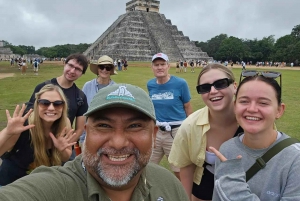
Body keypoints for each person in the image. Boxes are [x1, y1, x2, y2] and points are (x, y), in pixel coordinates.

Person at [0, 84, 190, 201]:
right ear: (87, 132)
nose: (117, 143)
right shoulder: (56, 188)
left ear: (154, 135)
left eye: (134, 126)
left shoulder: (168, 185)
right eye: (104, 125)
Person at [210, 71, 300, 200]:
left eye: (263, 103)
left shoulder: (295, 159)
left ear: (279, 110)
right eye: (244, 101)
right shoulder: (227, 149)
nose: (252, 109)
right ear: (235, 106)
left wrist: (233, 184)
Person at [169, 63, 243, 201]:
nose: (213, 91)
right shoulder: (190, 125)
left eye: (220, 83)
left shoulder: (252, 121)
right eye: (205, 88)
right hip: (204, 193)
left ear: (234, 86)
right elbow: (186, 168)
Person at [0, 84, 76, 186]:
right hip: (11, 187)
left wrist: (61, 150)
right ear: (37, 104)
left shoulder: (64, 124)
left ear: (63, 106)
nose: (51, 108)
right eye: (45, 103)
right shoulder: (23, 125)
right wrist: (7, 132)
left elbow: (65, 158)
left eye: (57, 104)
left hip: (41, 188)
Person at [27, 53, 89, 160]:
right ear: (64, 64)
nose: (72, 71)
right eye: (70, 65)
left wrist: (65, 143)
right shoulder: (43, 87)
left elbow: (79, 128)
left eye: (78, 69)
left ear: (82, 73)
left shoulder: (80, 96)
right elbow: (30, 113)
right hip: (39, 142)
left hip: (63, 144)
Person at [147, 53, 193, 180]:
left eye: (162, 64)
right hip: (156, 131)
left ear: (168, 66)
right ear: (152, 67)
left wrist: (190, 130)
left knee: (179, 171)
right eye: (156, 65)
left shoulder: (180, 83)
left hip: (176, 131)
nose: (159, 67)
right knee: (147, 167)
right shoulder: (150, 84)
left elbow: (188, 106)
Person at [79, 55, 116, 145]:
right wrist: (82, 136)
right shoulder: (88, 86)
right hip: (89, 131)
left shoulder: (116, 88)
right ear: (97, 69)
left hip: (108, 133)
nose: (104, 70)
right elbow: (82, 111)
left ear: (111, 70)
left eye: (108, 68)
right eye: (102, 67)